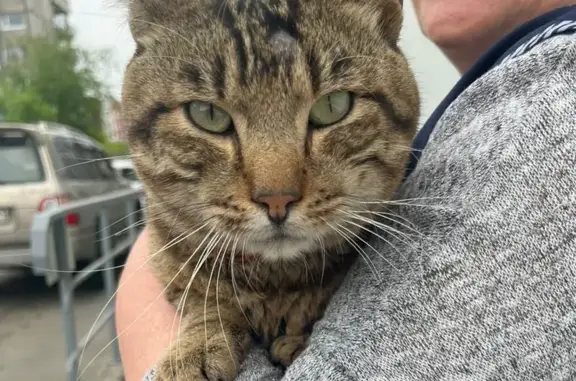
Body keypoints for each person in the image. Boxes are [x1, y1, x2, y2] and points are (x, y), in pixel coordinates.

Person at [116, 0, 576, 380]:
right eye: (208, 116)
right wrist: (209, 317)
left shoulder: (558, 118)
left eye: (331, 108)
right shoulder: (479, 103)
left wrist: (149, 303)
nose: (276, 190)